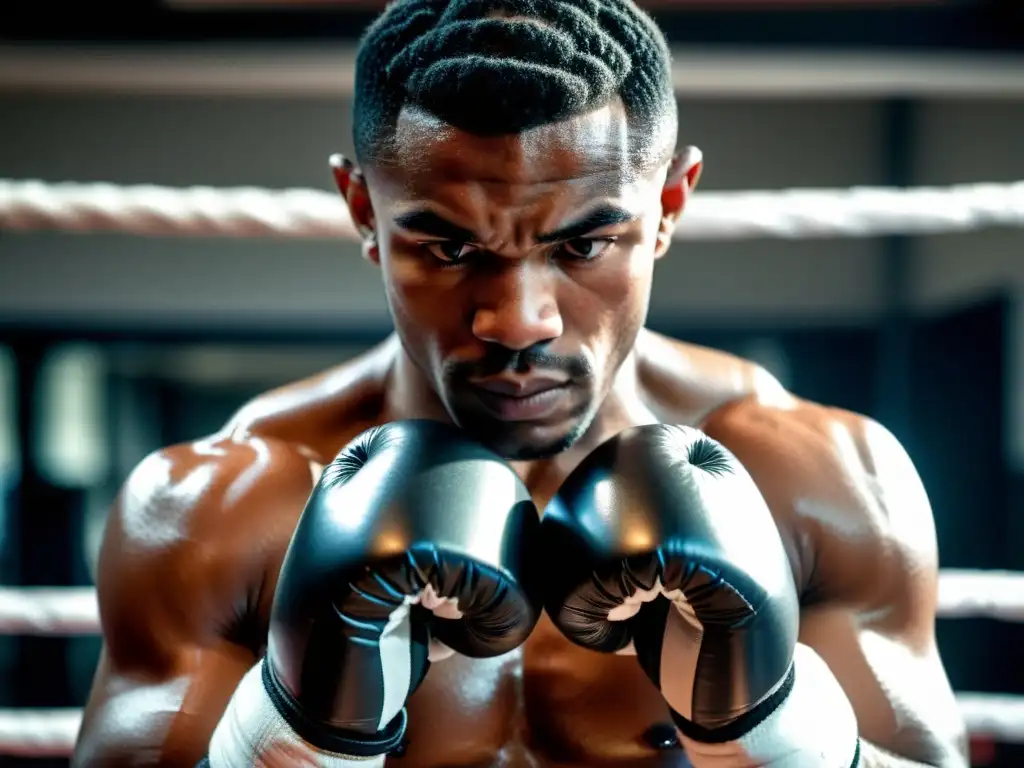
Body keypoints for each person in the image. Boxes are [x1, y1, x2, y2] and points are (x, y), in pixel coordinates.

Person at [72, 0, 969, 766]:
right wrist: (298, 734)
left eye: (582, 244)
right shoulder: (223, 506)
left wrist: (776, 730)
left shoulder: (823, 482)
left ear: (668, 208)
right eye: (450, 248)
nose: (518, 320)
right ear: (362, 212)